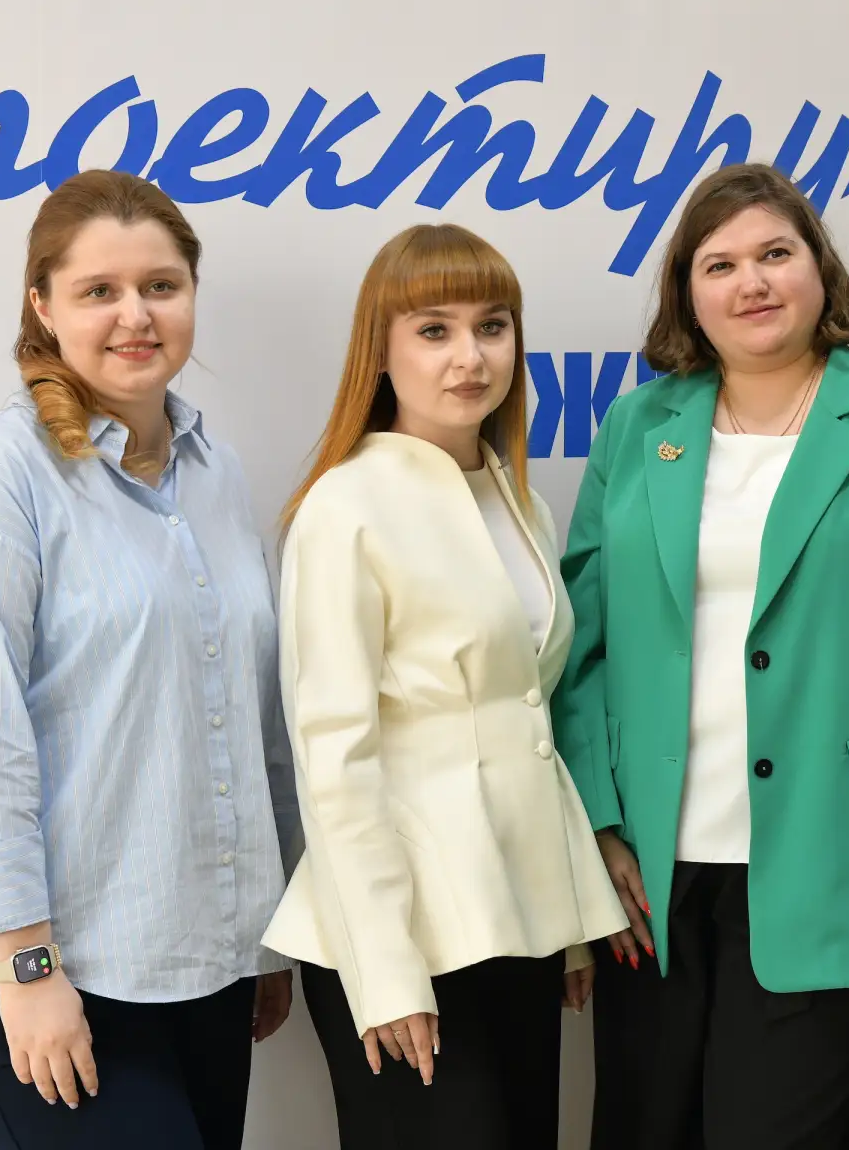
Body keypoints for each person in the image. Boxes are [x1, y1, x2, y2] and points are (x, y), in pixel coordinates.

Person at [555, 162, 849, 1150]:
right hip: (652, 881)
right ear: (687, 293)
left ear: (819, 269)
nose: (751, 282)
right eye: (719, 264)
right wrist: (599, 827)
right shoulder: (638, 427)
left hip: (835, 864)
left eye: (774, 253)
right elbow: (578, 646)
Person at [0, 170, 299, 1150]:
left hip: (201, 963)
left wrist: (262, 935)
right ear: (42, 304)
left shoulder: (217, 474)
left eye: (161, 285)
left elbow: (251, 716)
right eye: (99, 290)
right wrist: (28, 968)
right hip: (38, 970)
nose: (135, 315)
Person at [260, 223, 627, 1149]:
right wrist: (385, 973)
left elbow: (527, 727)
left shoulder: (520, 500)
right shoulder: (345, 505)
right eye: (434, 330)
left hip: (517, 925)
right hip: (403, 938)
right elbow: (334, 759)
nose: (471, 356)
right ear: (380, 353)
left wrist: (567, 925)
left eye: (492, 326)